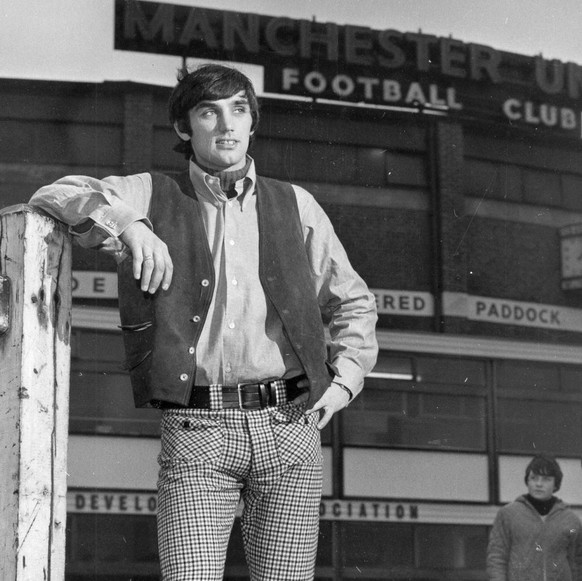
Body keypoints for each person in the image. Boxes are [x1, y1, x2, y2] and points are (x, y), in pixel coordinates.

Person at [29, 63, 378, 580]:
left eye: (239, 109)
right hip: (198, 429)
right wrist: (129, 225)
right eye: (208, 112)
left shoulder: (295, 203)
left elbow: (354, 303)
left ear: (253, 122)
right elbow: (53, 196)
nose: (226, 124)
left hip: (290, 426)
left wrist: (344, 382)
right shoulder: (150, 191)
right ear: (183, 128)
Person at [486, 454, 582, 581]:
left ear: (555, 484)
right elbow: (497, 557)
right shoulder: (508, 514)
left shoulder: (570, 520)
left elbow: (577, 563)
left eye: (546, 479)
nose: (538, 484)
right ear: (527, 481)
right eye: (533, 478)